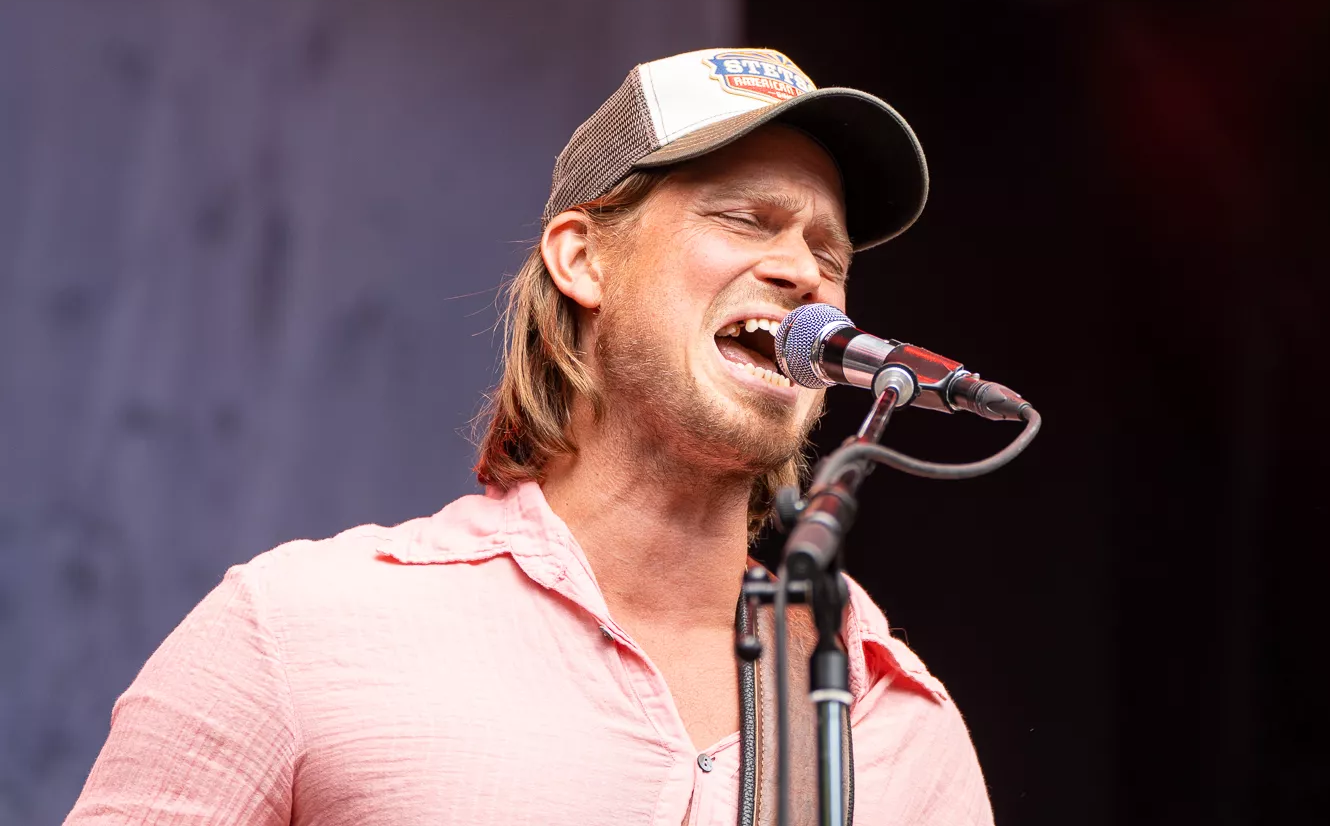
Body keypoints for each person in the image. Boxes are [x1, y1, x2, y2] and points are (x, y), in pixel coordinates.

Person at [65, 48, 994, 825]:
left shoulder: (891, 713)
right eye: (745, 219)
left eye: (830, 254)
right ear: (583, 260)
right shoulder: (301, 628)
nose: (802, 272)